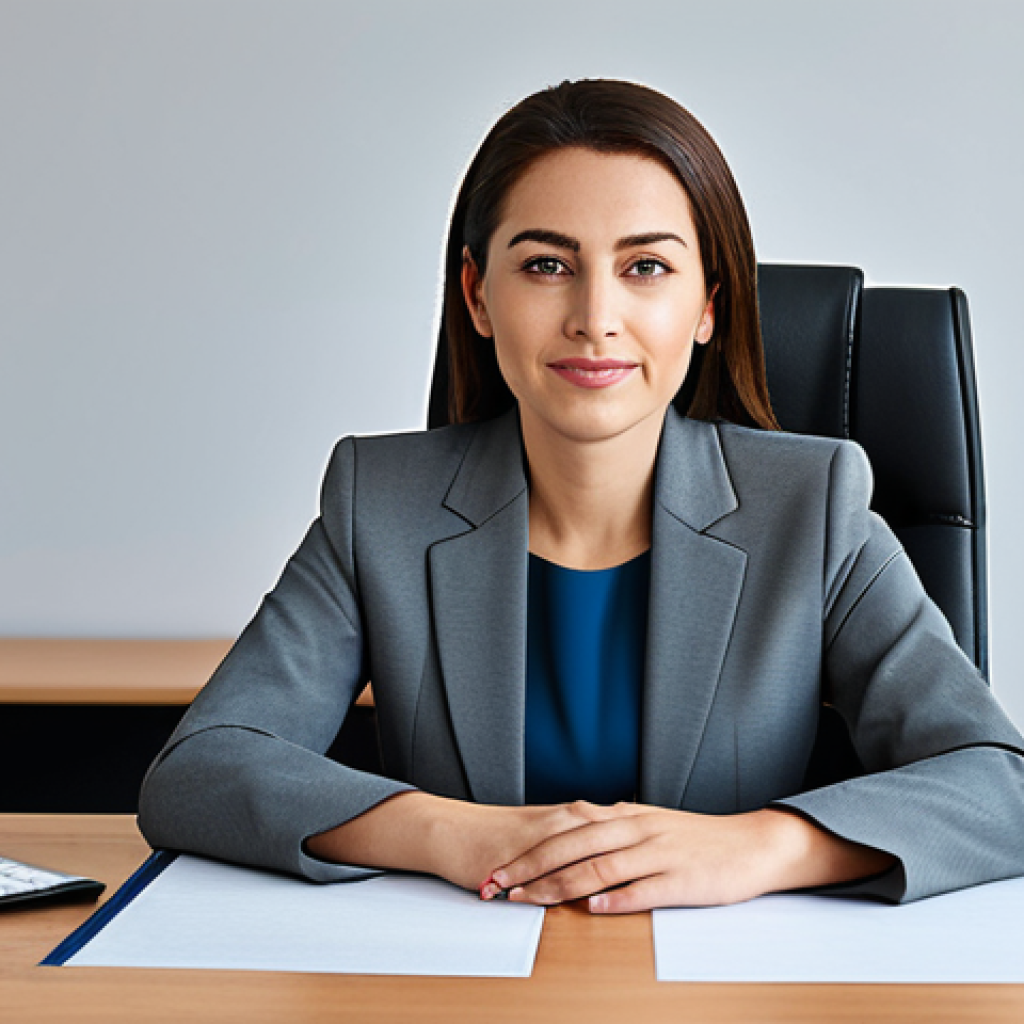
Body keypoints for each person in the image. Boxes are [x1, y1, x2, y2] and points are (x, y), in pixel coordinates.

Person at [138, 79, 1024, 914]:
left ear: (708, 306)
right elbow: (203, 769)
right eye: (546, 266)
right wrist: (450, 832)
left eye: (645, 269)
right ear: (478, 296)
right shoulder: (381, 504)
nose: (595, 316)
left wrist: (759, 848)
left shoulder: (814, 505)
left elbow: (999, 784)